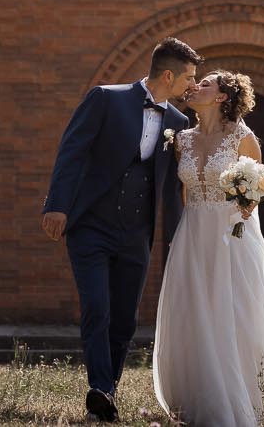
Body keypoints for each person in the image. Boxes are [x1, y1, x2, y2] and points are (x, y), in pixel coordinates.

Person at [42, 37, 200, 422]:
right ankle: (99, 386)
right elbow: (72, 151)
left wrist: (179, 234)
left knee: (125, 318)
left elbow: (171, 186)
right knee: (97, 307)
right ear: (168, 75)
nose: (192, 86)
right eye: (189, 78)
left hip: (135, 234)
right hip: (90, 227)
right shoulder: (105, 99)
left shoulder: (179, 124)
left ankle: (107, 393)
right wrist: (57, 205)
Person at [151, 69, 264, 427]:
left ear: (221, 97)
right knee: (193, 308)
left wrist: (240, 209)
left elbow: (257, 189)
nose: (194, 86)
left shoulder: (243, 137)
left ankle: (245, 396)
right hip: (193, 233)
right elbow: (184, 191)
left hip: (231, 235)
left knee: (234, 309)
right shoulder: (181, 141)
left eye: (204, 84)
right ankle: (196, 396)